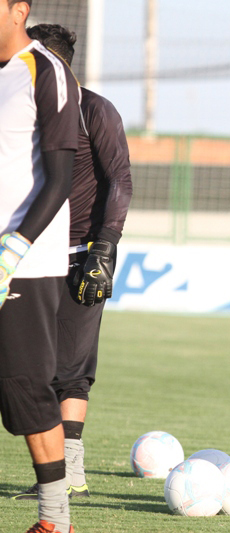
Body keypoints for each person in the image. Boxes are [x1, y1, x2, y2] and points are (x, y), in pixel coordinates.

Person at [11, 23, 133, 503]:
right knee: (27, 367)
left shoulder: (94, 109)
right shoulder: (23, 110)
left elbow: (119, 179)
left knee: (72, 368)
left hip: (84, 253)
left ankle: (68, 475)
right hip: (28, 254)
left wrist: (105, 245)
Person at [0, 1, 81, 532]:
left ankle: (56, 519)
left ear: (18, 10)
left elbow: (59, 178)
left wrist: (12, 249)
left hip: (24, 265)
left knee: (24, 387)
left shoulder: (45, 71)